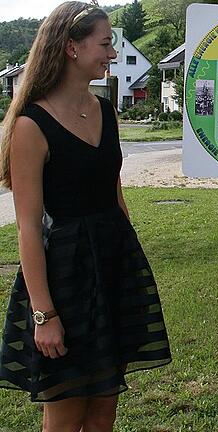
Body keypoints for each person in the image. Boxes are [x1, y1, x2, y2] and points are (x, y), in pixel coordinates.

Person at [0, 2, 172, 430]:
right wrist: (45, 315)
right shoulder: (30, 125)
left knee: (103, 409)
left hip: (112, 265)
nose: (113, 53)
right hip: (64, 277)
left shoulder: (106, 112)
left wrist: (130, 271)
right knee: (65, 409)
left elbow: (116, 197)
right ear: (72, 48)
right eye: (106, 43)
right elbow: (28, 228)